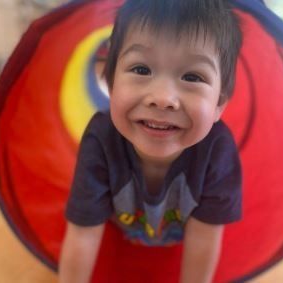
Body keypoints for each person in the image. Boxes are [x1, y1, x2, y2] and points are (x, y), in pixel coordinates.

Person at [59, 0, 243, 282]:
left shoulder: (217, 151)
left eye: (192, 76)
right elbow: (83, 232)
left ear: (219, 105)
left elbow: (205, 240)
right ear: (110, 83)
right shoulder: (101, 137)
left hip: (175, 249)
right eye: (142, 70)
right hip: (119, 243)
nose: (163, 98)